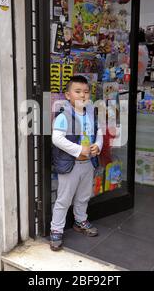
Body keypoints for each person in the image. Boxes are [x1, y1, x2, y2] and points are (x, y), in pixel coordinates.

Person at [50, 76, 103, 251]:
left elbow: (99, 132)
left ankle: (80, 221)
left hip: (88, 164)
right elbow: (57, 139)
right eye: (77, 91)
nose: (82, 95)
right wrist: (78, 150)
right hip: (70, 164)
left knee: (83, 196)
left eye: (86, 92)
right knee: (64, 199)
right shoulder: (64, 116)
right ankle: (56, 229)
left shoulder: (90, 113)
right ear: (67, 95)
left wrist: (97, 146)